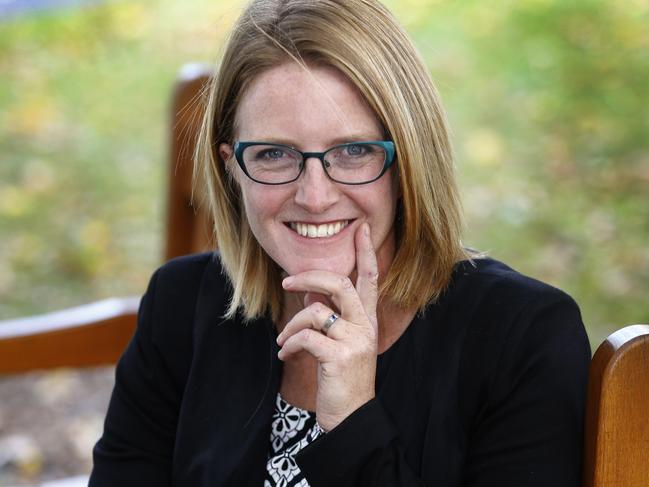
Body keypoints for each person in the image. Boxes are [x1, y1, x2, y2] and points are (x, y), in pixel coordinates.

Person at [90, 0, 591, 486]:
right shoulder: (180, 306)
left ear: (408, 161)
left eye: (353, 151)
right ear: (230, 167)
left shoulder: (522, 337)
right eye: (272, 154)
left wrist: (352, 424)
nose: (314, 196)